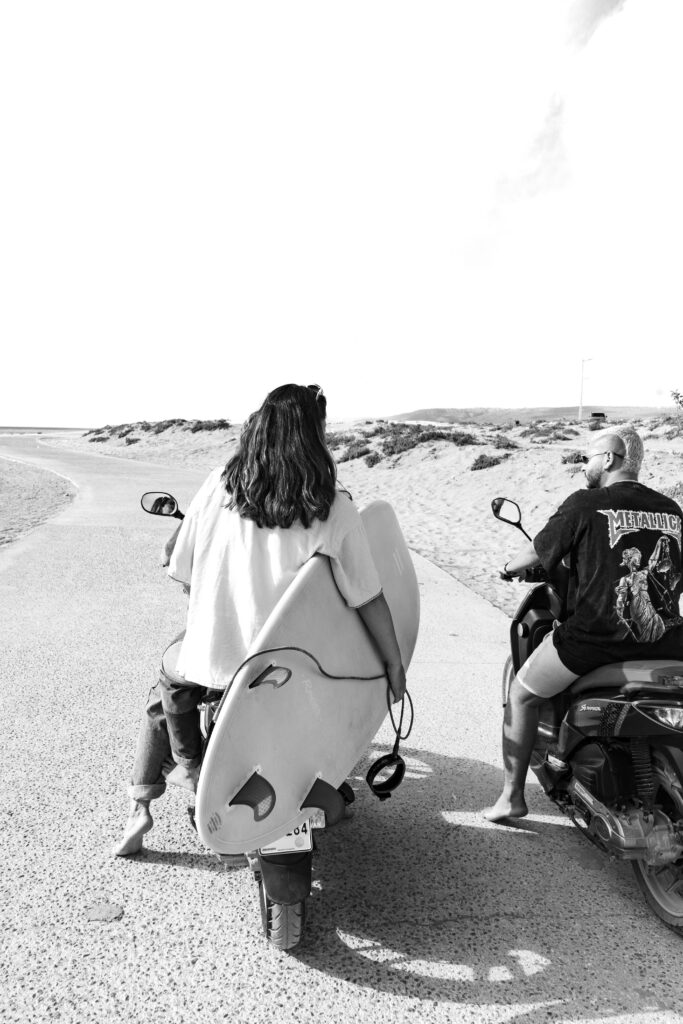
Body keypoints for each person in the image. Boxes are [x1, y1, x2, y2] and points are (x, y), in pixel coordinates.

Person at [113, 383, 407, 856]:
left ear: (259, 429)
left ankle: (167, 785)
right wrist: (394, 665)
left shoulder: (219, 485)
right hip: (290, 669)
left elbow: (182, 568)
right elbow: (368, 598)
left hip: (215, 662)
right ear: (314, 437)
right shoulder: (333, 506)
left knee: (167, 680)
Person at [484, 426, 683, 823]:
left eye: (588, 456)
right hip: (667, 642)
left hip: (596, 641)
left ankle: (511, 798)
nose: (583, 465)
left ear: (609, 458)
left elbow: (537, 550)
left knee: (521, 694)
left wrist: (508, 568)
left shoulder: (585, 503)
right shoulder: (672, 511)